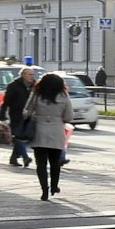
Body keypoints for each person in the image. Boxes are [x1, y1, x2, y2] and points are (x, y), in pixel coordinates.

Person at [27, 72, 72, 201]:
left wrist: (36, 116)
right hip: (56, 131)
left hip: (39, 131)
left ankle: (44, 190)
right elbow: (69, 116)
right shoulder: (64, 96)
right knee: (55, 162)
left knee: (40, 163)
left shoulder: (37, 94)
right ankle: (54, 186)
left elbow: (27, 111)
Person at [2, 66, 37, 168]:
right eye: (29, 74)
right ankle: (25, 157)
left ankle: (13, 158)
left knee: (24, 137)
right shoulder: (13, 86)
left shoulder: (34, 86)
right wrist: (2, 115)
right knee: (18, 137)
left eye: (32, 74)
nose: (32, 76)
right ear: (23, 75)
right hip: (16, 115)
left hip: (29, 116)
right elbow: (6, 101)